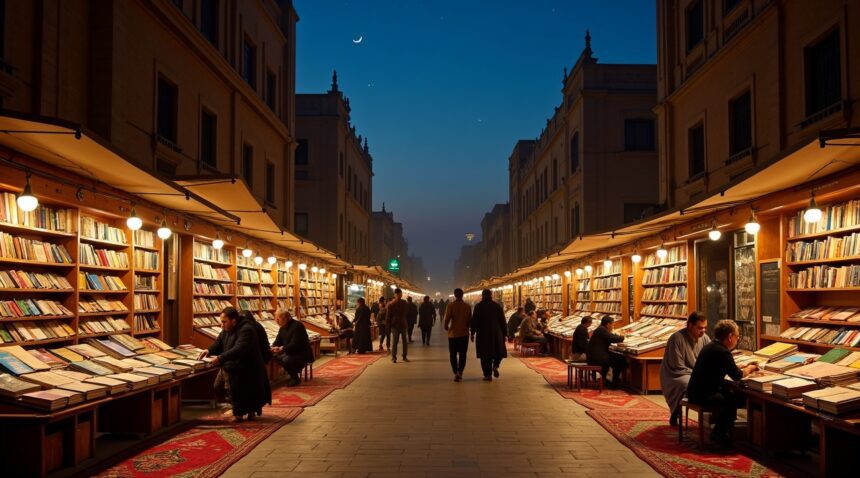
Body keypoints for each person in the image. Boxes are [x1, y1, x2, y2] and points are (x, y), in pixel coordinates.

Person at [687, 319, 758, 447]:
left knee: (730, 395)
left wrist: (738, 367)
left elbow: (724, 368)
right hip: (703, 395)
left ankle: (721, 430)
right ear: (730, 337)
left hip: (695, 391)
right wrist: (751, 368)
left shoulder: (712, 346)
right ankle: (720, 433)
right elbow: (737, 375)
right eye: (737, 336)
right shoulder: (723, 352)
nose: (738, 339)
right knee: (733, 400)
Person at [203, 307, 269, 422]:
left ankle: (240, 413)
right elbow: (219, 342)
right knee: (218, 387)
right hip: (229, 364)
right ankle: (242, 410)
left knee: (239, 390)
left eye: (224, 322)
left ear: (233, 321)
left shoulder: (246, 329)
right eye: (221, 322)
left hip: (245, 366)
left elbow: (240, 348)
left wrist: (220, 358)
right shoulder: (227, 329)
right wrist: (209, 351)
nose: (221, 325)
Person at [661, 312, 711, 426]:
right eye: (699, 328)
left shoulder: (705, 338)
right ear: (689, 325)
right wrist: (698, 374)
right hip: (676, 374)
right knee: (686, 384)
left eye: (705, 328)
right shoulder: (676, 338)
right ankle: (676, 411)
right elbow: (677, 365)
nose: (703, 331)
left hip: (697, 373)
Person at [271, 308, 315, 387]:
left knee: (286, 360)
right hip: (290, 352)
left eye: (278, 319)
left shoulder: (297, 326)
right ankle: (293, 372)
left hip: (301, 353)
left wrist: (282, 349)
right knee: (274, 356)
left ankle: (295, 378)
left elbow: (295, 344)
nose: (276, 322)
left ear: (285, 318)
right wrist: (274, 347)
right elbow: (278, 340)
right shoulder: (283, 327)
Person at [470, 289, 508, 381]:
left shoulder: (478, 307)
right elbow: (503, 321)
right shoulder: (497, 306)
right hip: (496, 332)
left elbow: (474, 321)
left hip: (483, 334)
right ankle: (495, 365)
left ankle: (487, 375)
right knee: (498, 350)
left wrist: (472, 333)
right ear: (491, 295)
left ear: (482, 296)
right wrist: (505, 334)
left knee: (484, 355)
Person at [240, 310, 272, 415]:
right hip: (261, 359)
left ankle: (251, 409)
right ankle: (256, 408)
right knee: (258, 385)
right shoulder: (258, 326)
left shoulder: (246, 329)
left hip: (253, 360)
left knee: (251, 386)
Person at [586, 315, 627, 387]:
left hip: (594, 356)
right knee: (621, 361)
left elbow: (609, 337)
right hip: (597, 358)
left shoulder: (600, 329)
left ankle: (610, 380)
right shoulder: (602, 330)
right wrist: (623, 337)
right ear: (608, 324)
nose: (613, 327)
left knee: (618, 358)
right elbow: (612, 338)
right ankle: (613, 382)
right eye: (612, 324)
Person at [444, 288, 472, 381]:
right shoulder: (467, 306)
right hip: (464, 334)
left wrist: (446, 326)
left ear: (455, 295)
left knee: (453, 354)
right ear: (462, 295)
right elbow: (469, 321)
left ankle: (455, 371)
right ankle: (460, 372)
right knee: (463, 354)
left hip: (453, 334)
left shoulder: (450, 305)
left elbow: (447, 318)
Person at [386, 288, 410, 363]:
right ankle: (395, 357)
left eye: (400, 294)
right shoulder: (391, 304)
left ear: (401, 295)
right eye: (397, 295)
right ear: (395, 295)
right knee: (396, 342)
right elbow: (388, 316)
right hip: (396, 325)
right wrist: (388, 326)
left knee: (403, 342)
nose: (399, 296)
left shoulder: (393, 304)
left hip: (401, 325)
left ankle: (403, 356)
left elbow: (407, 312)